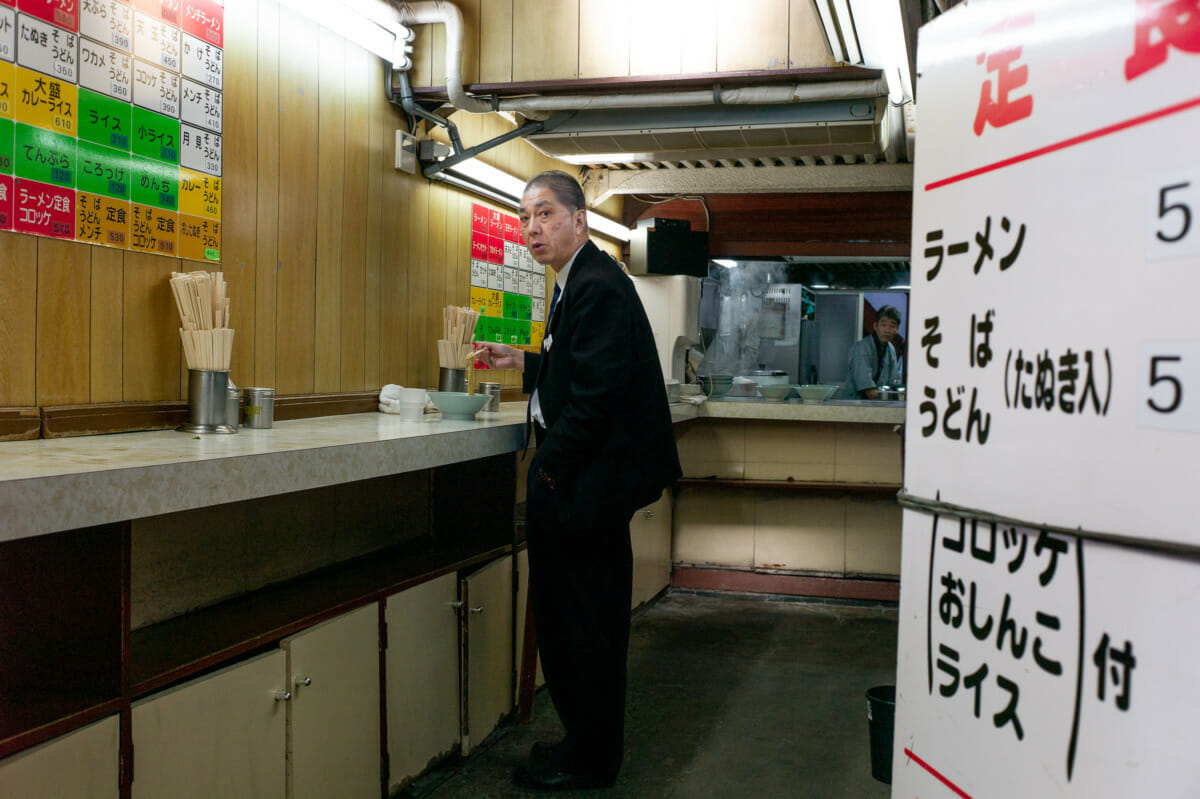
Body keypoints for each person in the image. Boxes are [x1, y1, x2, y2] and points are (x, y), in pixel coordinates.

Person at [474, 171, 681, 790]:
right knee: (576, 621)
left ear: (579, 221)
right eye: (524, 218)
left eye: (544, 214)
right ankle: (582, 743)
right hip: (587, 485)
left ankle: (591, 760)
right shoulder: (580, 282)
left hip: (585, 490)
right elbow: (580, 365)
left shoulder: (594, 286)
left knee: (583, 626)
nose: (531, 228)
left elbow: (595, 399)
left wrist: (546, 471)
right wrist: (528, 363)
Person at [838, 305, 903, 399]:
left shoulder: (890, 349)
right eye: (883, 325)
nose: (887, 330)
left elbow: (894, 381)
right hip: (855, 404)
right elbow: (867, 388)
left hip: (877, 403)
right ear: (875, 326)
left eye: (892, 326)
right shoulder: (862, 347)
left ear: (897, 330)